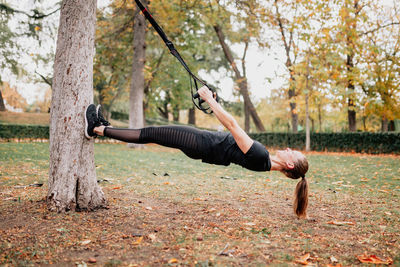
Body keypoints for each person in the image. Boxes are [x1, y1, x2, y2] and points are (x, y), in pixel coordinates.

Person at [85, 86, 309, 218]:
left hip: (200, 143)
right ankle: (105, 128)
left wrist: (210, 99)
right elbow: (230, 138)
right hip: (203, 145)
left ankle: (97, 128)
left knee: (150, 133)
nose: (289, 149)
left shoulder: (261, 156)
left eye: (293, 153)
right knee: (152, 134)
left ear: (290, 165)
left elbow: (232, 125)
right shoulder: (265, 161)